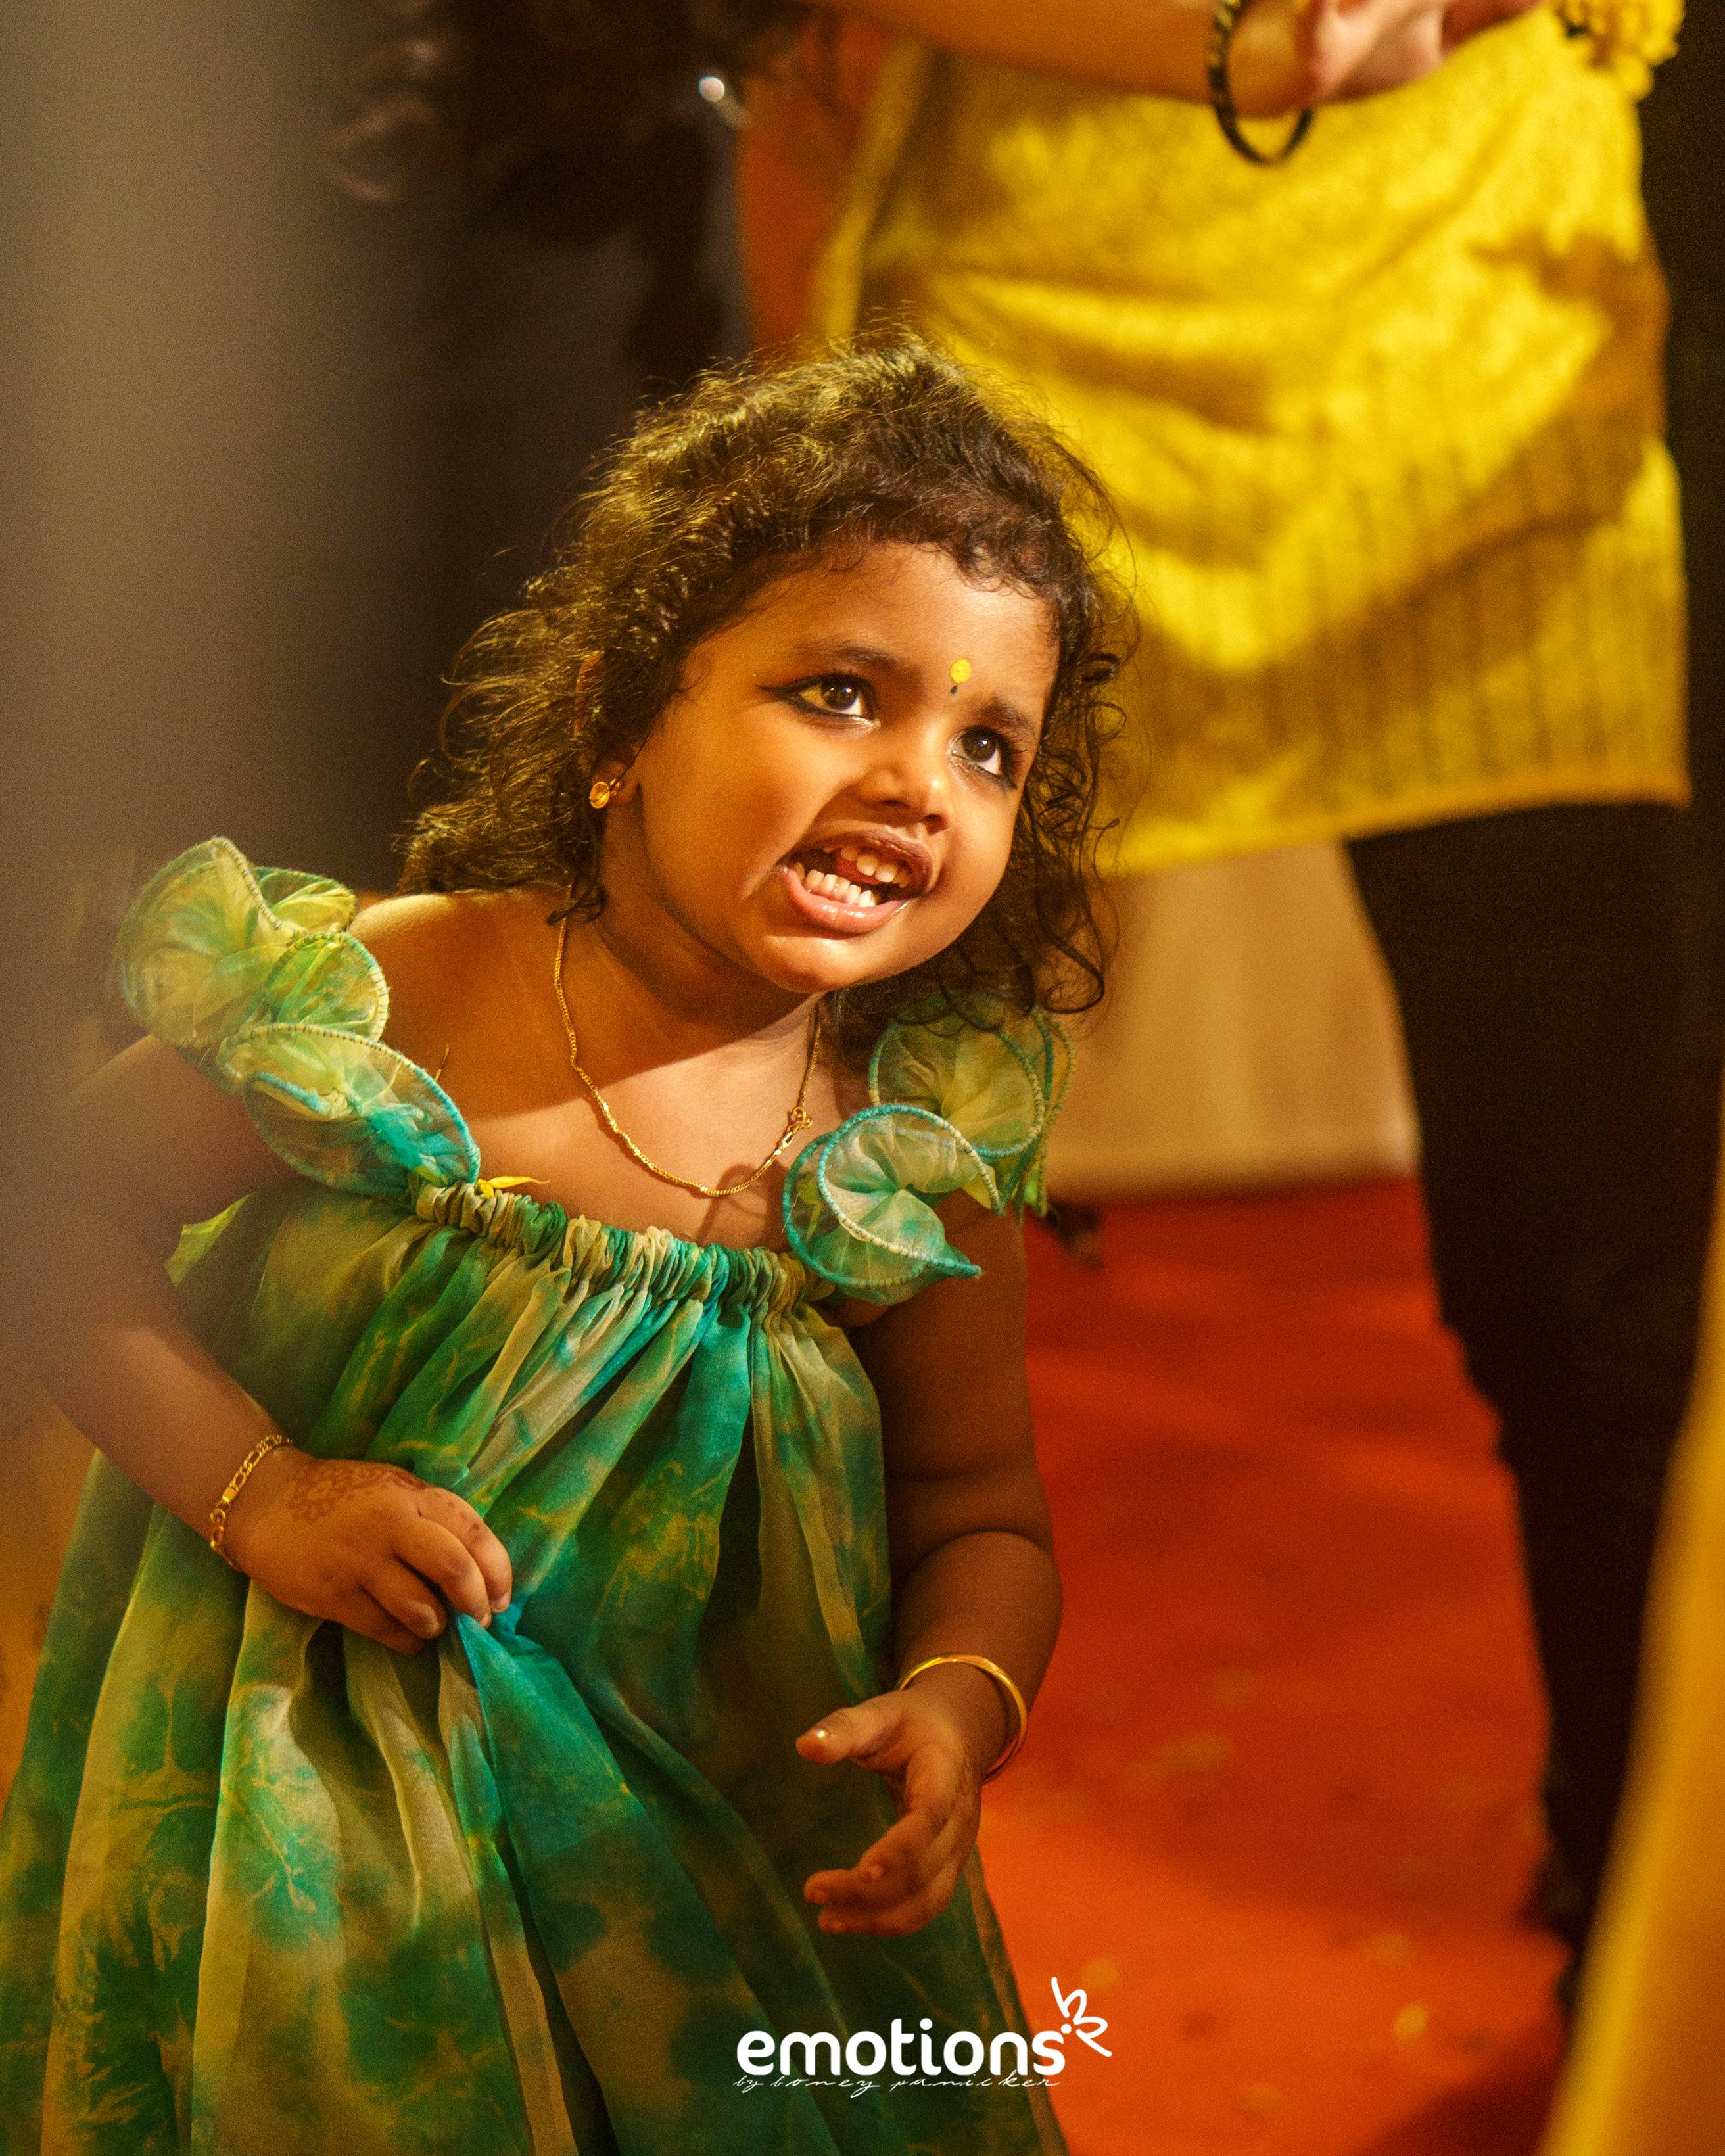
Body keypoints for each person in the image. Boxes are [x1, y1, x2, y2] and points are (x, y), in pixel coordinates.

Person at [0, 339, 1122, 2154]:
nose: (921, 779)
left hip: (710, 1846)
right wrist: (262, 1493)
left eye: (988, 745)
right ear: (621, 723)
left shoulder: (908, 1151)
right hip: (322, 1812)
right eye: (842, 693)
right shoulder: (405, 993)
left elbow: (982, 1510)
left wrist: (956, 1704)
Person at [734, 0, 1707, 1982]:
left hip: (1496, 361)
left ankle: (1640, 1916)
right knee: (798, 1243)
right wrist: (1239, 45)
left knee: (1593, 1280)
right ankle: (721, 1917)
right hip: (1022, 370)